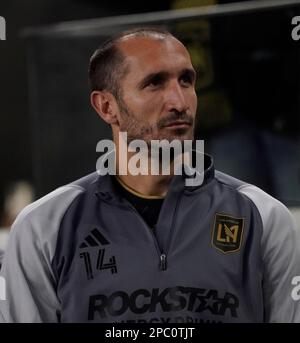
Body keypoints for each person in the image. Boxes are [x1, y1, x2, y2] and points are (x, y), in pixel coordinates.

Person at [0, 27, 300, 323]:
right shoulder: (44, 228)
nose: (180, 103)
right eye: (155, 83)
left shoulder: (265, 218)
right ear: (106, 106)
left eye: (186, 80)